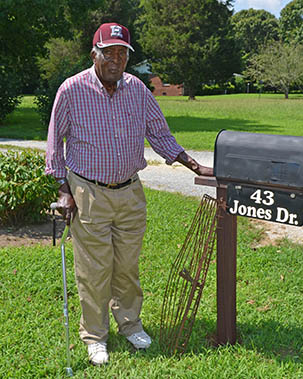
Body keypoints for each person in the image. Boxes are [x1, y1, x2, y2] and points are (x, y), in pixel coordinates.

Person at [46, 22, 213, 366]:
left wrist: (195, 166)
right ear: (95, 54)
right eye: (109, 53)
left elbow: (160, 134)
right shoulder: (72, 89)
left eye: (122, 53)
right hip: (89, 192)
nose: (116, 59)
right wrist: (63, 188)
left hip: (130, 192)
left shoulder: (137, 89)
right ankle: (95, 336)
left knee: (127, 266)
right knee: (94, 269)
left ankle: (130, 324)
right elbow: (54, 143)